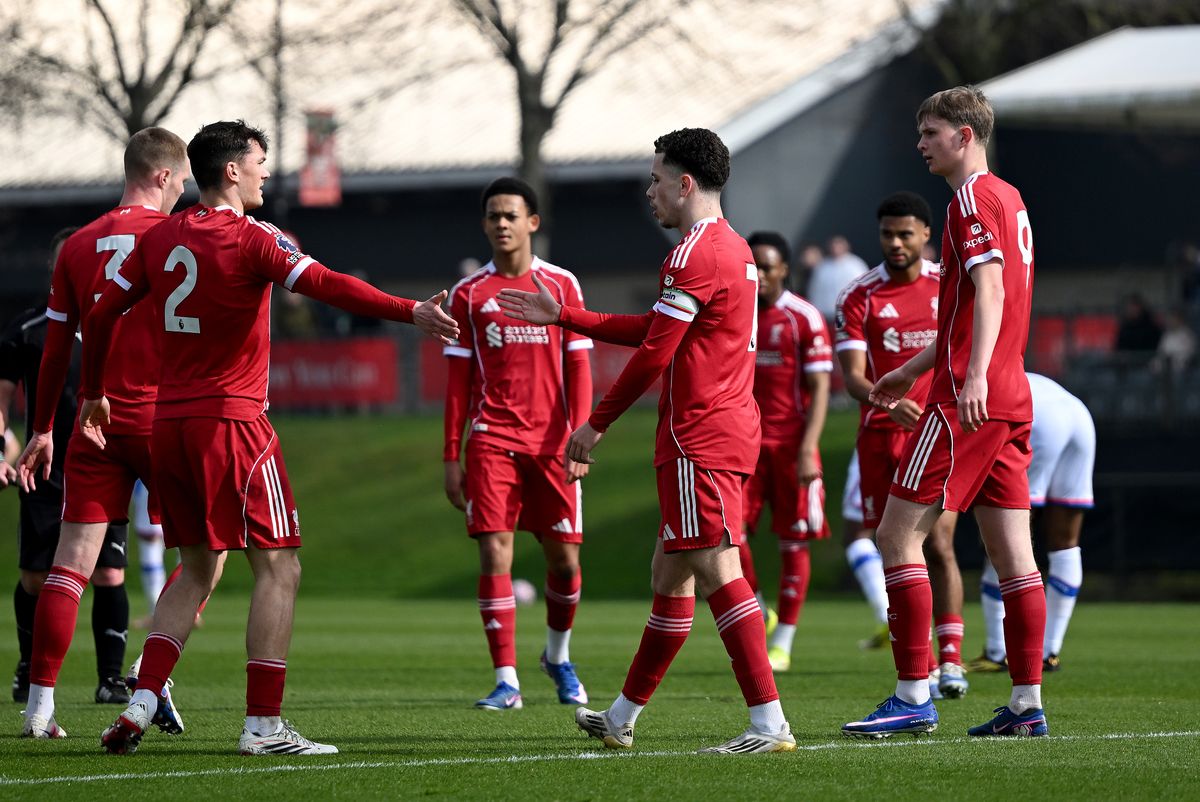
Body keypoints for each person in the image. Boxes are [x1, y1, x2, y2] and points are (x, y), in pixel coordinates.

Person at [77, 120, 458, 756]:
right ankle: (263, 726)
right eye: (259, 161)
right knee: (279, 566)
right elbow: (329, 284)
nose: (266, 172)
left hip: (169, 426)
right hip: (233, 425)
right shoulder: (252, 237)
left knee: (196, 569)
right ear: (231, 170)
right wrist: (409, 310)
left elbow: (97, 313)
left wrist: (94, 390)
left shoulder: (160, 236)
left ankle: (140, 704)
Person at [499, 127, 795, 754]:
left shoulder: (694, 253)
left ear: (685, 184)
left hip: (698, 436)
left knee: (717, 568)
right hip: (727, 428)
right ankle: (621, 716)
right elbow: (655, 328)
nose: (649, 190)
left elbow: (655, 353)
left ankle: (769, 722)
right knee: (671, 574)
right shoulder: (733, 247)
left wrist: (595, 423)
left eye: (656, 179)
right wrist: (565, 315)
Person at [841, 86, 1047, 739]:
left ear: (964, 135)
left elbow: (989, 289)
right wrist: (910, 367)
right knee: (1013, 556)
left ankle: (912, 694)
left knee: (894, 536)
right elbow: (973, 304)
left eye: (931, 132)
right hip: (1011, 396)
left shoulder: (969, 199)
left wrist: (971, 373)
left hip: (968, 399)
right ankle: (1026, 705)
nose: (921, 144)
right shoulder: (1009, 196)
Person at [15, 129, 193, 740]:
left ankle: (40, 709)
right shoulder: (175, 238)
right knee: (209, 552)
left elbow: (55, 350)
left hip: (92, 425)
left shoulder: (78, 244)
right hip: (161, 416)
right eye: (181, 181)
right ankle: (150, 674)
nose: (182, 192)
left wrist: (42, 428)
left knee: (69, 566)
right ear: (164, 176)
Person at [443, 176, 593, 710]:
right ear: (484, 225)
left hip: (554, 445)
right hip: (491, 439)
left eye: (511, 215)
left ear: (532, 222)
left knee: (564, 562)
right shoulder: (468, 294)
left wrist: (581, 437)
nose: (502, 224)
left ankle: (557, 657)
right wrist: (451, 456)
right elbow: (458, 383)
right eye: (493, 216)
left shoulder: (561, 286)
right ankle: (507, 681)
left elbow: (579, 367)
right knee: (494, 551)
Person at [835, 191, 967, 700]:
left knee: (939, 542)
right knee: (892, 546)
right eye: (887, 234)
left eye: (905, 234)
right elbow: (852, 377)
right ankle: (923, 665)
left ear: (925, 235)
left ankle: (951, 660)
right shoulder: (858, 295)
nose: (895, 243)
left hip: (938, 433)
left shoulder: (948, 283)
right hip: (880, 437)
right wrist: (888, 403)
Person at [1, 228, 133, 712]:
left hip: (102, 460)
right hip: (45, 467)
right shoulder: (28, 329)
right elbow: (1, 400)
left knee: (109, 573)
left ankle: (111, 679)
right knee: (37, 578)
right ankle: (29, 666)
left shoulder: (116, 321)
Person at [737, 230, 831, 673]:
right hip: (743, 447)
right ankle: (757, 606)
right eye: (752, 266)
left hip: (792, 447)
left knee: (794, 542)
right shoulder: (735, 313)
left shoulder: (803, 318)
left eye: (766, 267)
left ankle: (783, 643)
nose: (758, 275)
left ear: (784, 270)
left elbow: (821, 387)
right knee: (728, 533)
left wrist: (809, 448)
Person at [968, 372, 1095, 673]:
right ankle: (1049, 652)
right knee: (1066, 544)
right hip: (1078, 415)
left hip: (1035, 416)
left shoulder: (960, 375)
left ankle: (997, 651)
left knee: (1002, 535)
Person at [807, 235, 868, 323]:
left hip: (849, 313)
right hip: (826, 314)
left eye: (839, 245)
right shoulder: (822, 266)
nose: (836, 248)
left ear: (845, 246)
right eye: (833, 245)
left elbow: (863, 287)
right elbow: (814, 289)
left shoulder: (856, 265)